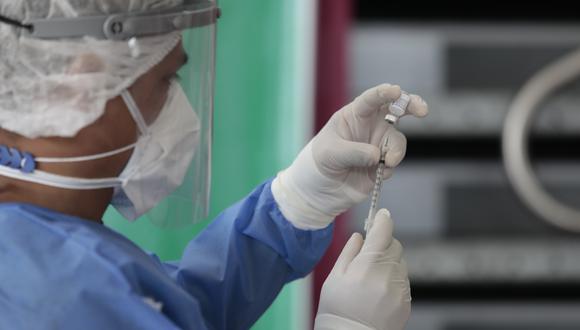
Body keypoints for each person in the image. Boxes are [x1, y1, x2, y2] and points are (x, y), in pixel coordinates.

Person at [0, 1, 428, 329]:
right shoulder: (58, 293)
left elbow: (176, 308)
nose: (178, 107)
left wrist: (299, 201)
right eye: (167, 79)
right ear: (80, 85)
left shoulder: (37, 249)